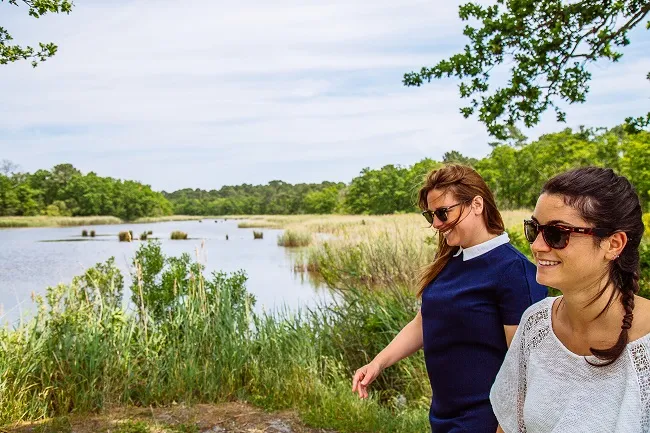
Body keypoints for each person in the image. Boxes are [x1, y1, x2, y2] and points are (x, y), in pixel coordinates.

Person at [352, 164, 547, 432]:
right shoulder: (450, 260)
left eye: (443, 213)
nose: (436, 224)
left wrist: (505, 427)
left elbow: (525, 369)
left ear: (477, 204)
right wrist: (378, 363)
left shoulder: (514, 272)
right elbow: (424, 322)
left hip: (484, 422)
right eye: (430, 215)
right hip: (443, 418)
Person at [490, 167, 650, 433]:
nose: (538, 246)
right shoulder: (536, 325)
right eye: (534, 229)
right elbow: (508, 426)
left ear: (614, 244)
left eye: (557, 234)